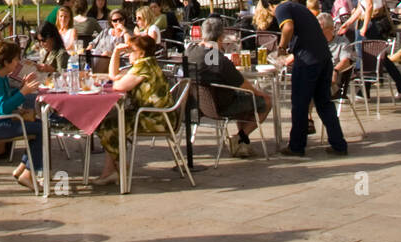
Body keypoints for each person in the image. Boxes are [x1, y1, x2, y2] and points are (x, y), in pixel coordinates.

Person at [261, 0, 347, 156]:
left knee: (300, 104)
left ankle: (296, 146)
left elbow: (288, 27)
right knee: (324, 103)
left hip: (308, 62)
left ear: (270, 5)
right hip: (323, 58)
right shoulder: (298, 7)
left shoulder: (282, 9)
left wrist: (281, 48)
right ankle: (339, 144)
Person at [188, 17, 272, 158]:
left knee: (246, 101)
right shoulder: (218, 59)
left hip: (198, 105)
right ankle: (239, 138)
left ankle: (242, 144)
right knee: (265, 101)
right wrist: (259, 93)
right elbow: (243, 84)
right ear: (221, 36)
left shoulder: (191, 50)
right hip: (222, 106)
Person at [94, 34, 171, 185]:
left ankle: (120, 167)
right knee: (110, 123)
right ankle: (111, 171)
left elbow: (117, 85)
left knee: (108, 125)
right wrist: (116, 51)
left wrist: (116, 55)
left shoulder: (143, 66)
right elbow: (114, 75)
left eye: (131, 50)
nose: (128, 53)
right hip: (158, 115)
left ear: (141, 53)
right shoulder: (147, 64)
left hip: (155, 119)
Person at [0, 40, 42, 189]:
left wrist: (22, 88)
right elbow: (3, 107)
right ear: (6, 61)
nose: (18, 63)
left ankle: (23, 167)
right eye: (16, 59)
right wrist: (23, 92)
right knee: (41, 129)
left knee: (37, 126)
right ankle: (28, 173)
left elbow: (6, 96)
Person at [338, 0, 401, 99]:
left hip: (370, 22)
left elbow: (368, 5)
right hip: (373, 21)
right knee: (377, 56)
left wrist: (363, 27)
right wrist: (349, 22)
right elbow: (362, 6)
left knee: (368, 56)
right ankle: (399, 87)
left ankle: (365, 92)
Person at [318, 14, 355, 97]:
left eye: (320, 29)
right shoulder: (315, 41)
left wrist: (335, 71)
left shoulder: (342, 42)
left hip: (333, 81)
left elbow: (346, 61)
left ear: (330, 28)